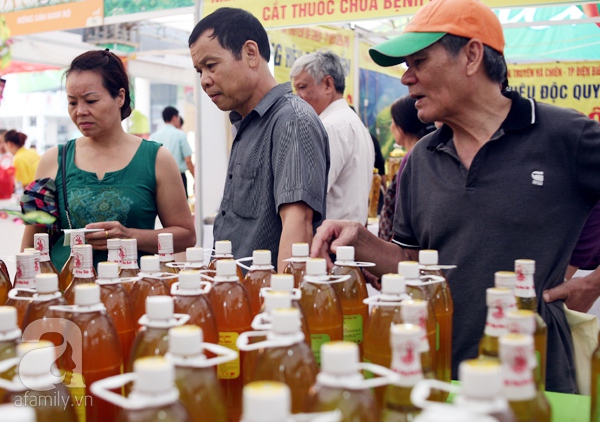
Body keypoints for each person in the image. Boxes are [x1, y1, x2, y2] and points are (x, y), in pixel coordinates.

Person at [311, 0, 600, 394]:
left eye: (419, 62)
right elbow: (413, 264)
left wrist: (595, 282)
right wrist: (361, 240)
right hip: (440, 377)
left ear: (471, 55)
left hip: (534, 382)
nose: (406, 78)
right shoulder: (420, 161)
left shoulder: (567, 137)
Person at [20, 49, 196, 270]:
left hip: (132, 293)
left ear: (120, 97)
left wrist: (129, 236)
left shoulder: (157, 159)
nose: (80, 111)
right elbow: (31, 242)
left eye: (91, 100)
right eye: (72, 103)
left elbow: (187, 236)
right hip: (65, 295)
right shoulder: (52, 160)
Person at [188, 7, 329, 272]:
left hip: (265, 301)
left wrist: (282, 304)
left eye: (211, 65)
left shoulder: (291, 120)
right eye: (199, 71)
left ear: (251, 53)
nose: (205, 81)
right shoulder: (246, 123)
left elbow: (298, 224)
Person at [290, 50, 373, 224]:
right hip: (350, 239)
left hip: (330, 242)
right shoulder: (355, 123)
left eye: (302, 87)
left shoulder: (328, 127)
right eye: (296, 89)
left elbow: (308, 197)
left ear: (328, 84)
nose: (298, 97)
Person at [378, 96, 435, 242]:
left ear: (401, 126)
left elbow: (400, 213)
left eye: (393, 121)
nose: (391, 127)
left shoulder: (411, 158)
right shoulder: (426, 154)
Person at [150, 106, 194, 197]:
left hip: (158, 178)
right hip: (178, 178)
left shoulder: (154, 136)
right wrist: (195, 178)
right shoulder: (180, 135)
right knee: (179, 208)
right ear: (174, 117)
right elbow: (188, 160)